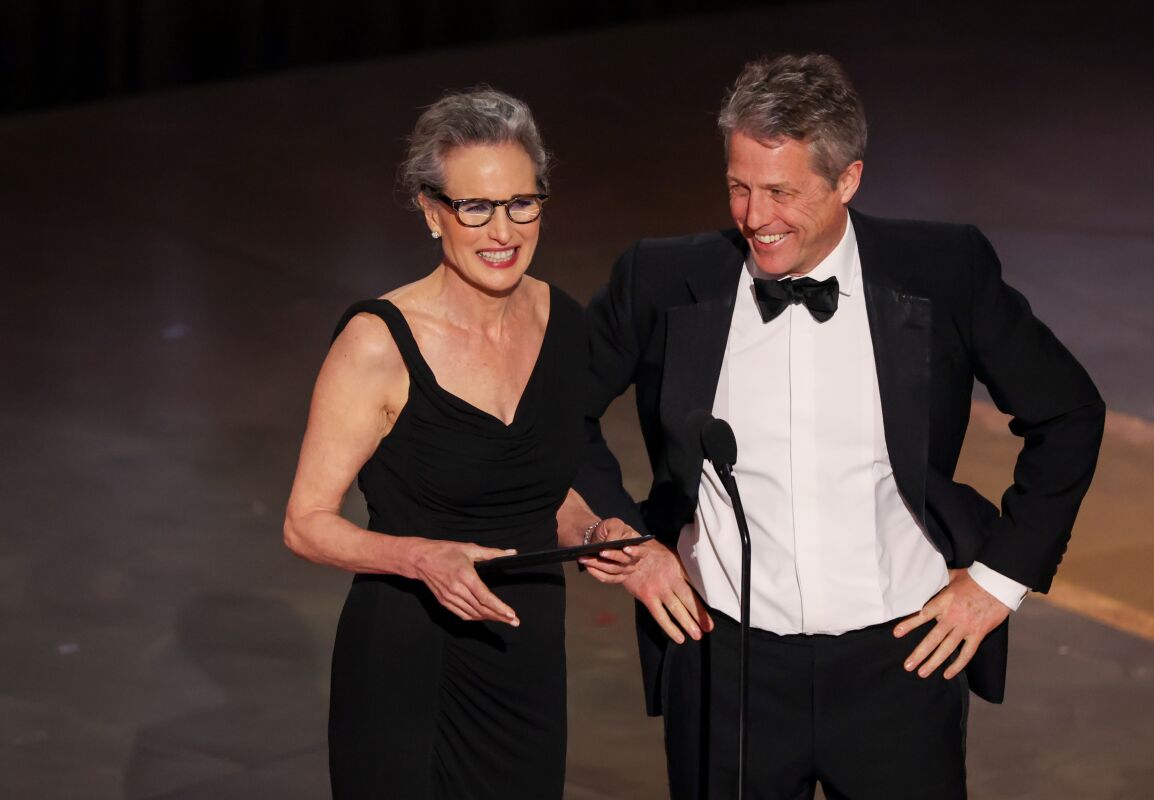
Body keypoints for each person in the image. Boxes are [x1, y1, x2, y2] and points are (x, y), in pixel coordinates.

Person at [569, 54, 1105, 799]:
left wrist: (998, 582)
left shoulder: (943, 269)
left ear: (847, 179)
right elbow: (553, 414)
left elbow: (1069, 412)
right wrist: (629, 545)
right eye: (739, 187)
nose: (754, 218)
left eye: (781, 192)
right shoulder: (661, 280)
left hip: (903, 665)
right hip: (724, 666)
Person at [283, 88, 636, 799]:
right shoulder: (378, 344)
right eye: (475, 207)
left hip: (525, 651)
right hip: (409, 660)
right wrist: (423, 558)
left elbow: (536, 482)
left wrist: (592, 527)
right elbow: (305, 524)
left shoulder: (563, 324)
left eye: (521, 203)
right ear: (431, 211)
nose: (501, 230)